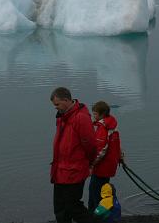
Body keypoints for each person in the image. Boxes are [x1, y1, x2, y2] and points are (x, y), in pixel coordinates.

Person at [51, 87, 98, 223]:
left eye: (57, 104)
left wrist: (89, 163)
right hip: (60, 170)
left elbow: (91, 146)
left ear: (66, 100)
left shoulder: (80, 118)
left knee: (73, 207)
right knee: (60, 208)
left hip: (74, 171)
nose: (55, 107)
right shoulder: (62, 117)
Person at [88, 101, 122, 212]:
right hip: (109, 165)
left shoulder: (103, 128)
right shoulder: (112, 125)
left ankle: (97, 214)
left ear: (102, 114)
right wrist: (120, 157)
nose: (94, 116)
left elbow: (101, 150)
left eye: (95, 114)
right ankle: (97, 213)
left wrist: (92, 164)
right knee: (102, 190)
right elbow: (116, 144)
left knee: (95, 192)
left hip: (101, 167)